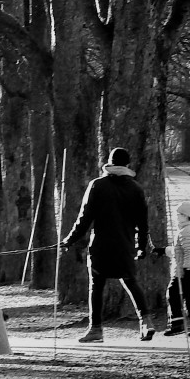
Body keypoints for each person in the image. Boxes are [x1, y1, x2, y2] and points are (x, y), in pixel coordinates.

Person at [62, 146, 155, 344]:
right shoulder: (136, 188)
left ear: (110, 163)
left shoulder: (97, 185)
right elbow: (143, 222)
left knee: (96, 286)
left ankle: (96, 329)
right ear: (127, 164)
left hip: (101, 246)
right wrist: (141, 246)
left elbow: (84, 219)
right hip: (125, 245)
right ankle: (146, 322)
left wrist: (69, 240)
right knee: (130, 280)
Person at [163, 198, 190, 337]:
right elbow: (178, 252)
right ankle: (189, 324)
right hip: (183, 271)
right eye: (177, 214)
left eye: (179, 215)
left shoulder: (186, 231)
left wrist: (188, 270)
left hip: (186, 272)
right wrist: (163, 251)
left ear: (186, 216)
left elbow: (189, 252)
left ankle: (189, 325)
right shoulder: (183, 230)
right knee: (184, 297)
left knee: (184, 297)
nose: (177, 217)